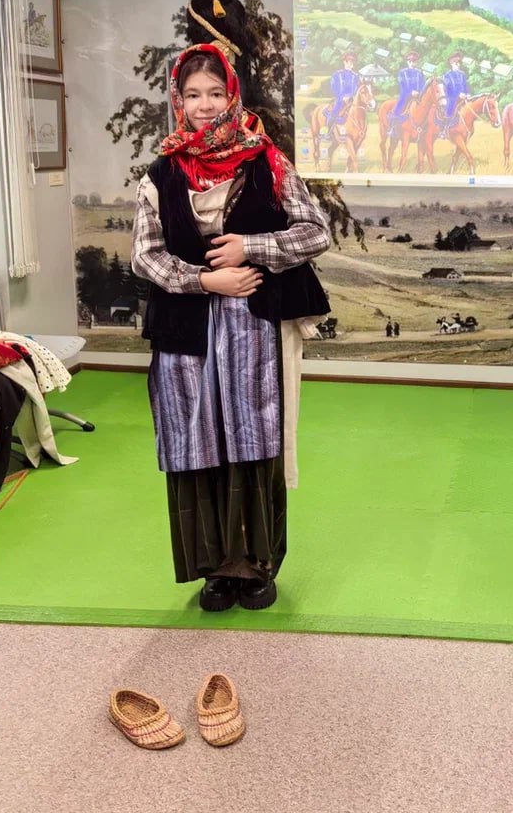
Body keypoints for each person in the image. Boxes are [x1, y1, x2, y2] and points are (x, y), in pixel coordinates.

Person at [132, 43, 331, 613]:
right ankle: (215, 571)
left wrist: (251, 247)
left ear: (232, 96)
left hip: (255, 334)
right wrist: (205, 280)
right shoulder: (160, 175)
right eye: (192, 94)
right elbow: (145, 256)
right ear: (178, 99)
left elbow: (315, 231)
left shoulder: (268, 162)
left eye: (215, 93)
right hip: (186, 335)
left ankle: (256, 566)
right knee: (196, 446)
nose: (204, 105)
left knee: (254, 442)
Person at [391, 52, 426, 138]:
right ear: (407, 62)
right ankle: (393, 128)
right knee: (398, 107)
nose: (412, 63)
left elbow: (423, 84)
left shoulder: (419, 73)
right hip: (406, 94)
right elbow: (402, 85)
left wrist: (419, 92)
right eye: (410, 61)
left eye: (414, 61)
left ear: (416, 62)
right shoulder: (402, 72)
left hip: (418, 95)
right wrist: (411, 92)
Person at [326, 52, 361, 135]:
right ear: (345, 62)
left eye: (353, 61)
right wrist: (342, 97)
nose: (352, 63)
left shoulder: (355, 76)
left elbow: (357, 88)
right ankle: (329, 133)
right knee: (334, 113)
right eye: (350, 61)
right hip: (340, 99)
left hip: (352, 100)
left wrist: (352, 96)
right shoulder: (337, 74)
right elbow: (334, 87)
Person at [439, 52, 470, 138]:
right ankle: (444, 130)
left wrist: (468, 94)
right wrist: (458, 95)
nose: (458, 65)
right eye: (456, 63)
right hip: (452, 97)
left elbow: (465, 86)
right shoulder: (447, 75)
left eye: (459, 63)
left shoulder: (462, 74)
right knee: (449, 109)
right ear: (451, 64)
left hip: (463, 98)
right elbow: (447, 89)